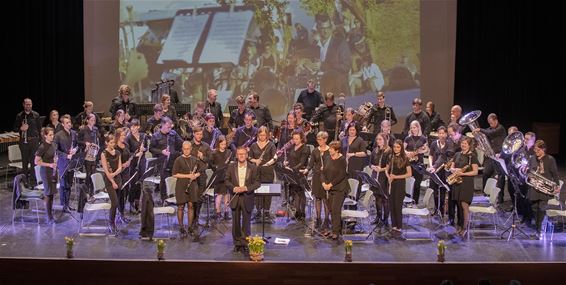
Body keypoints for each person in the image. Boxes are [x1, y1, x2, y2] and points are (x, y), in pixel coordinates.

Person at [225, 147, 260, 253]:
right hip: (235, 197)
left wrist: (246, 188)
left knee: (246, 222)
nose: (241, 156)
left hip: (247, 196)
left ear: (246, 155)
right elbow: (226, 181)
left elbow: (257, 183)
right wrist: (233, 188)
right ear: (236, 155)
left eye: (243, 154)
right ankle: (237, 243)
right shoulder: (231, 167)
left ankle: (245, 243)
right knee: (235, 222)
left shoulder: (253, 167)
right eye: (239, 154)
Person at [526, 140, 560, 238]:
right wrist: (528, 173)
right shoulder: (532, 158)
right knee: (534, 209)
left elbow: (555, 174)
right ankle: (537, 229)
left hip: (545, 189)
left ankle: (538, 230)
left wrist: (557, 186)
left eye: (537, 150)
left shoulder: (550, 159)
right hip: (534, 188)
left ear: (543, 149)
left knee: (541, 208)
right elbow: (529, 171)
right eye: (534, 149)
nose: (535, 151)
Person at [449, 136, 479, 238]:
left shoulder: (472, 156)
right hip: (457, 183)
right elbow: (451, 167)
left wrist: (462, 174)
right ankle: (460, 226)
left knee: (464, 206)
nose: (463, 145)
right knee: (458, 205)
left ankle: (465, 228)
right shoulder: (457, 154)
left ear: (469, 145)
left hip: (466, 183)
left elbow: (475, 171)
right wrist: (454, 170)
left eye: (465, 143)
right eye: (462, 143)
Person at [172, 141, 203, 237]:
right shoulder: (178, 160)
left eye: (188, 149)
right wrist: (188, 176)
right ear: (182, 149)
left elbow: (199, 171)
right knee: (181, 207)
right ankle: (181, 227)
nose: (186, 150)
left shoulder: (194, 159)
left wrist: (195, 175)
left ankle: (189, 227)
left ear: (191, 149)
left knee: (191, 206)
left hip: (192, 185)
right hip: (181, 185)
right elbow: (174, 174)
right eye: (184, 149)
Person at [320, 140, 350, 240]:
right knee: (331, 209)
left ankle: (335, 231)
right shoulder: (327, 158)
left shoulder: (342, 160)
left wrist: (331, 184)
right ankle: (335, 228)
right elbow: (323, 172)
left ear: (337, 150)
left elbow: (342, 175)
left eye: (331, 149)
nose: (330, 150)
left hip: (340, 188)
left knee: (335, 210)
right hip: (329, 187)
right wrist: (324, 183)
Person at [316, 15, 352, 96]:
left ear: (331, 28)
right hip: (319, 92)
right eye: (322, 28)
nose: (325, 31)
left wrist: (323, 65)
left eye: (328, 28)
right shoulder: (315, 46)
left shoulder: (340, 43)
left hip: (338, 92)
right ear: (318, 29)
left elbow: (346, 66)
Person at [149, 117, 183, 202]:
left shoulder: (173, 133)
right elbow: (151, 149)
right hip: (162, 162)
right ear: (163, 125)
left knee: (174, 179)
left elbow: (180, 143)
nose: (170, 128)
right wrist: (161, 151)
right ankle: (164, 199)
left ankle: (173, 196)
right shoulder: (155, 136)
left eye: (170, 127)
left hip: (173, 160)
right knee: (164, 180)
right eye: (168, 127)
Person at [474, 113, 506, 203]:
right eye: (489, 123)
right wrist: (477, 135)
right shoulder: (488, 129)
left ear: (496, 120)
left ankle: (500, 197)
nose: (490, 125)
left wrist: (480, 129)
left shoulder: (500, 128)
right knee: (485, 173)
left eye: (491, 123)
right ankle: (485, 194)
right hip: (490, 156)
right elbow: (485, 135)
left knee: (500, 177)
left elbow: (491, 133)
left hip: (499, 156)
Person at [303, 131, 331, 229]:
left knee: (325, 199)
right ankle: (318, 219)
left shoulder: (330, 150)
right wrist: (306, 170)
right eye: (317, 139)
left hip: (327, 177)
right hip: (317, 177)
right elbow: (311, 164)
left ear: (325, 139)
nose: (318, 141)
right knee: (317, 198)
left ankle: (327, 219)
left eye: (320, 139)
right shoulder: (315, 151)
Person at [249, 126, 277, 221]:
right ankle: (258, 211)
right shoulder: (253, 145)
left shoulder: (271, 145)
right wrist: (255, 160)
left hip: (268, 171)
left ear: (267, 135)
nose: (262, 137)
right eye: (261, 135)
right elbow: (249, 157)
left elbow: (275, 158)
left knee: (267, 192)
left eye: (264, 135)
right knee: (257, 192)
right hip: (256, 172)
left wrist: (267, 164)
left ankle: (266, 211)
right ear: (258, 135)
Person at [426, 126, 454, 219]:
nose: (441, 135)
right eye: (440, 133)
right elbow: (430, 155)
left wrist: (436, 167)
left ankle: (441, 210)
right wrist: (431, 166)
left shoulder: (449, 143)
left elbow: (445, 157)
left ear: (446, 134)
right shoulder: (434, 143)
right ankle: (435, 209)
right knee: (434, 190)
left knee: (442, 190)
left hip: (443, 170)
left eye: (443, 133)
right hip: (434, 170)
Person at [387, 139, 412, 239]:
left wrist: (395, 177)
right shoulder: (390, 157)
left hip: (400, 184)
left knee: (397, 206)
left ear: (401, 148)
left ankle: (399, 227)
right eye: (394, 147)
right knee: (391, 205)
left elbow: (409, 174)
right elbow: (386, 169)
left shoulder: (405, 158)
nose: (396, 149)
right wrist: (388, 176)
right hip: (391, 183)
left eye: (398, 147)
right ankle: (393, 225)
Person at [14, 98, 42, 186]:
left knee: (34, 162)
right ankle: (25, 181)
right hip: (23, 142)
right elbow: (15, 128)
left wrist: (40, 141)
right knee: (25, 162)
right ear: (23, 105)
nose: (28, 106)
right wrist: (21, 129)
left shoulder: (36, 115)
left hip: (34, 141)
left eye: (30, 104)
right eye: (27, 104)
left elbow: (39, 128)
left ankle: (33, 181)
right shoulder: (19, 116)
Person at [54, 115, 78, 213]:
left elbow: (77, 145)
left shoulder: (73, 133)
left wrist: (75, 150)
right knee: (64, 184)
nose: (69, 124)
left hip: (71, 162)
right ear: (63, 124)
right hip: (63, 162)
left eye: (70, 122)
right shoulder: (58, 135)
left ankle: (67, 204)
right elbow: (55, 150)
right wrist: (65, 155)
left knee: (69, 184)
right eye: (67, 123)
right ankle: (63, 205)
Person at [100, 133, 123, 234]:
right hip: (109, 181)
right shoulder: (103, 154)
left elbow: (120, 167)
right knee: (114, 202)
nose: (113, 144)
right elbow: (106, 170)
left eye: (114, 142)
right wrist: (112, 181)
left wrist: (114, 174)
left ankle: (113, 221)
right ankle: (111, 223)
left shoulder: (117, 152)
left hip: (117, 178)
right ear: (106, 143)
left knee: (117, 202)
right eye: (111, 142)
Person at [285, 131, 310, 220]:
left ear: (302, 139)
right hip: (292, 173)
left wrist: (293, 169)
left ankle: (302, 213)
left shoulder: (305, 148)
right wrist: (286, 163)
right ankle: (297, 211)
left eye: (297, 139)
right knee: (295, 193)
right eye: (294, 139)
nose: (295, 140)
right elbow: (289, 158)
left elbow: (302, 162)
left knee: (301, 193)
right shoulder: (292, 147)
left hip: (300, 173)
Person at [34, 127, 57, 224]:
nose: (52, 136)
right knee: (48, 193)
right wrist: (49, 164)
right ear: (45, 136)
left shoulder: (53, 145)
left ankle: (50, 213)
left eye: (53, 134)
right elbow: (36, 162)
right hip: (46, 171)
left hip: (53, 171)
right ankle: (49, 217)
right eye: (50, 135)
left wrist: (56, 160)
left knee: (52, 193)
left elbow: (54, 155)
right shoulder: (42, 147)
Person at [404, 120, 429, 205]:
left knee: (417, 184)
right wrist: (408, 153)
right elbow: (402, 149)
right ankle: (407, 201)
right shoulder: (408, 138)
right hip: (409, 164)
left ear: (418, 128)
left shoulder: (423, 138)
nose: (412, 129)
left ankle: (415, 202)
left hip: (419, 164)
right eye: (411, 128)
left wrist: (421, 152)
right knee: (408, 183)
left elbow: (426, 149)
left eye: (414, 127)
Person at [369, 132, 392, 226]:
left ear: (385, 140)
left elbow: (390, 166)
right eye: (377, 139)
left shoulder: (389, 151)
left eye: (380, 139)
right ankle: (378, 217)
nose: (378, 141)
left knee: (384, 199)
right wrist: (373, 167)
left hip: (384, 177)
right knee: (377, 197)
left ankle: (385, 219)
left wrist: (381, 169)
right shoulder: (375, 150)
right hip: (375, 176)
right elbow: (370, 163)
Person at [125, 119, 147, 214]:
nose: (132, 128)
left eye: (134, 126)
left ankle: (138, 203)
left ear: (138, 126)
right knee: (133, 184)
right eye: (131, 127)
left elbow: (146, 148)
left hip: (142, 161)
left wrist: (144, 149)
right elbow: (127, 152)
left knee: (139, 183)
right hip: (133, 163)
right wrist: (135, 155)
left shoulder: (143, 136)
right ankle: (131, 203)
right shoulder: (128, 138)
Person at [77, 113, 100, 197]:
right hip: (86, 154)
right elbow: (78, 141)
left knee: (93, 172)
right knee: (89, 172)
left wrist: (97, 146)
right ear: (87, 120)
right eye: (91, 120)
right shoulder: (83, 129)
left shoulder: (95, 129)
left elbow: (97, 140)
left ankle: (92, 191)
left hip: (94, 153)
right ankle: (86, 190)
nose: (93, 121)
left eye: (94, 120)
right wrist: (85, 143)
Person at [210, 136, 232, 221]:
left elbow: (230, 163)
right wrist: (216, 168)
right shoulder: (214, 153)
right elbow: (211, 164)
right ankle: (218, 212)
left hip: (226, 176)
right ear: (218, 144)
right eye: (222, 144)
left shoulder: (229, 152)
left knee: (227, 195)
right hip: (219, 177)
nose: (223, 146)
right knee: (219, 195)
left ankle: (226, 212)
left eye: (225, 144)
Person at [115, 127, 132, 223]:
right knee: (119, 194)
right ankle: (119, 214)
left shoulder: (125, 145)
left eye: (125, 135)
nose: (124, 137)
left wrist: (129, 161)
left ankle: (122, 213)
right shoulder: (115, 147)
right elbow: (113, 162)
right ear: (117, 136)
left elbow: (129, 156)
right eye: (122, 135)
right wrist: (121, 165)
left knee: (125, 193)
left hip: (126, 172)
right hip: (118, 173)